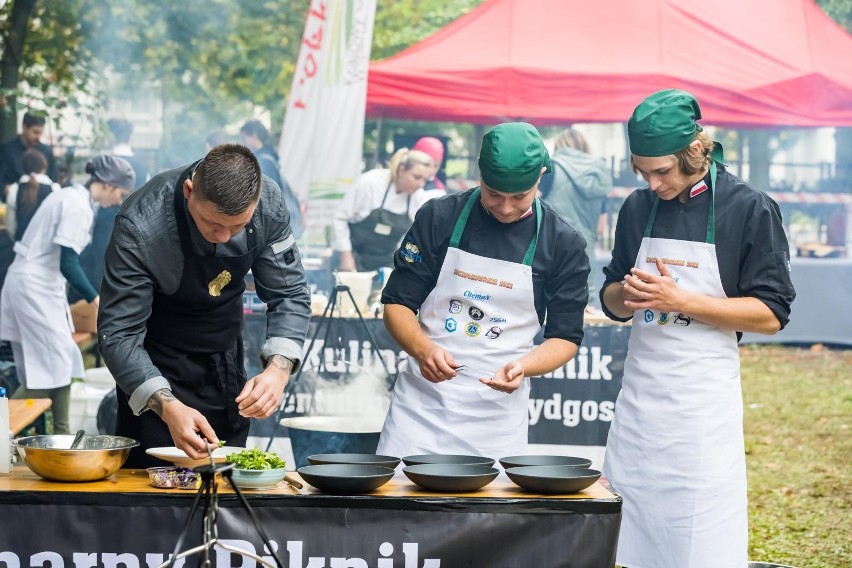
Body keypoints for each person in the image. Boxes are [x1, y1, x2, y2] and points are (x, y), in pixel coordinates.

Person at [599, 89, 796, 568]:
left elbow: (771, 314)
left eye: (661, 171)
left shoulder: (750, 208)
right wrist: (628, 296)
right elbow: (610, 299)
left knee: (700, 537)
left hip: (702, 405)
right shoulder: (636, 207)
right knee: (628, 536)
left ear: (694, 151)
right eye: (642, 171)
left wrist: (681, 300)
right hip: (642, 399)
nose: (652, 182)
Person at [376, 122, 590, 458]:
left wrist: (524, 366)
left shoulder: (563, 242)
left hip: (497, 420)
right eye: (494, 194)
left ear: (541, 176)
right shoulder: (439, 217)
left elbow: (565, 338)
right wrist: (423, 350)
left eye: (519, 197)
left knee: (488, 510)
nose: (505, 208)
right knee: (401, 508)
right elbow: (396, 306)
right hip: (420, 412)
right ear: (479, 174)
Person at [98, 144, 311, 468]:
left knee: (223, 489)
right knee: (154, 496)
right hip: (154, 366)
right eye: (212, 224)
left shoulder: (268, 202)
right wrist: (167, 406)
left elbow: (290, 293)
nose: (224, 237)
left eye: (237, 226)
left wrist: (279, 369)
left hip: (223, 364)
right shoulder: (141, 225)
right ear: (189, 191)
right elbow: (119, 334)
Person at [0, 156, 135, 434]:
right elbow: (68, 263)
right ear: (108, 185)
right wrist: (95, 299)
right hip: (34, 286)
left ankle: (57, 435)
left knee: (49, 365)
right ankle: (40, 433)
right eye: (120, 194)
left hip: (34, 283)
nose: (119, 200)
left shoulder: (74, 197)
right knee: (56, 361)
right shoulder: (77, 206)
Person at [539, 127, 612, 306]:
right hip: (585, 252)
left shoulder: (551, 168)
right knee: (582, 307)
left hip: (550, 248)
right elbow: (601, 228)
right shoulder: (598, 175)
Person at [333, 148, 434, 272]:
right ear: (402, 170)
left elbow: (409, 238)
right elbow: (340, 218)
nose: (421, 184)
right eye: (417, 177)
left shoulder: (418, 198)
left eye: (425, 180)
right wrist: (346, 256)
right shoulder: (370, 183)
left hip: (386, 263)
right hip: (353, 256)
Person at [240, 120, 303, 238]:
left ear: (254, 136)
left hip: (271, 226)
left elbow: (265, 197)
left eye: (245, 138)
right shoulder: (269, 157)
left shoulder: (262, 161)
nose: (244, 143)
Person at [6, 148, 59, 241]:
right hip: (45, 247)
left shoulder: (14, 190)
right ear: (44, 166)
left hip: (20, 246)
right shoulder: (55, 189)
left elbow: (10, 226)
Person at [0, 111, 59, 189]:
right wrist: (7, 189)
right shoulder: (6, 149)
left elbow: (54, 178)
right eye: (35, 132)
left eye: (41, 133)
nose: (38, 137)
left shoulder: (46, 151)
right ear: (24, 127)